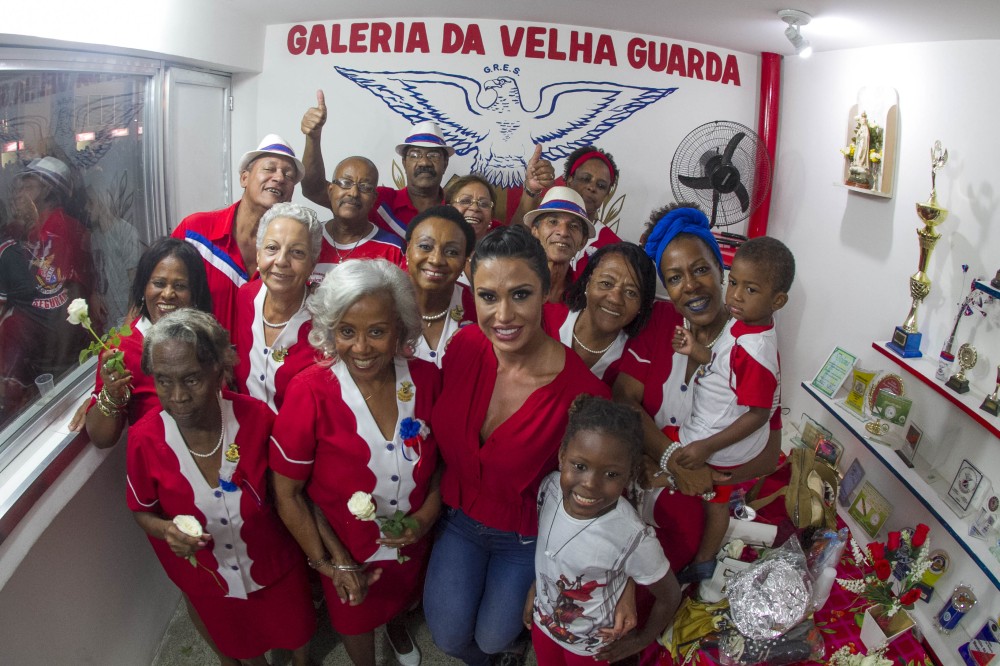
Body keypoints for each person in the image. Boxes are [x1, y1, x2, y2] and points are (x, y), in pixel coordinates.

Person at [423, 225, 611, 666]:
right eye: (488, 296)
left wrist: (548, 576)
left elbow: (581, 502)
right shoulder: (464, 346)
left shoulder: (584, 396)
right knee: (449, 638)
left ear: (546, 290)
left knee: (493, 638)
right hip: (458, 518)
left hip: (526, 538)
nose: (503, 315)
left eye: (520, 294)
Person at [271, 259, 441, 666]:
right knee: (354, 619)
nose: (361, 348)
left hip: (413, 541)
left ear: (400, 327)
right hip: (346, 549)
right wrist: (330, 563)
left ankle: (397, 626)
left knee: (402, 596)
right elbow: (288, 493)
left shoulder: (429, 379)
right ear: (330, 331)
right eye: (347, 331)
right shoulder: (309, 392)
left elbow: (442, 466)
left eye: (377, 332)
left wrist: (424, 519)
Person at [126, 309, 314, 666]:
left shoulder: (258, 418)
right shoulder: (144, 439)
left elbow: (293, 492)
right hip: (212, 578)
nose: (178, 395)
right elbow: (140, 509)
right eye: (164, 381)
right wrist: (166, 529)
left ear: (218, 369)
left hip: (277, 566)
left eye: (191, 379)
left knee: (297, 632)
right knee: (242, 643)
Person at [612, 204, 783, 573]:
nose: (690, 285)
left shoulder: (751, 343)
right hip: (641, 482)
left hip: (697, 498)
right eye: (674, 278)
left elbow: (769, 454)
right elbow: (625, 399)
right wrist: (671, 458)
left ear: (722, 271)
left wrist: (707, 477)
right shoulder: (659, 324)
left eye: (701, 269)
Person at [668, 235, 794, 583]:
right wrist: (697, 350)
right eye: (734, 282)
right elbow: (723, 364)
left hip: (725, 443)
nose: (736, 295)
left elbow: (758, 413)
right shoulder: (743, 325)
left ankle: (703, 562)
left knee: (712, 496)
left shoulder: (756, 350)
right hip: (723, 430)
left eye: (750, 290)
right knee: (717, 498)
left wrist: (707, 447)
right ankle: (704, 559)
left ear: (778, 300)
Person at [524, 396, 681, 664]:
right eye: (580, 466)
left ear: (629, 474)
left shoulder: (632, 537)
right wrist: (536, 589)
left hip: (592, 647)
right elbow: (553, 553)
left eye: (610, 474)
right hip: (544, 623)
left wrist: (643, 639)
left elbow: (670, 595)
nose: (590, 484)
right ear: (563, 456)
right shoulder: (549, 489)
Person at [81, 238, 213, 447]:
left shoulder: (207, 335)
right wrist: (112, 393)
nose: (168, 294)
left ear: (194, 293)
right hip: (158, 466)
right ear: (143, 288)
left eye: (180, 286)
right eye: (159, 284)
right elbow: (101, 438)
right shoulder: (121, 349)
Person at [172, 134, 303, 331]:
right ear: (244, 178)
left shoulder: (292, 254)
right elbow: (156, 292)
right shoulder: (195, 232)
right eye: (269, 169)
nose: (279, 178)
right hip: (200, 358)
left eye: (289, 175)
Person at [300, 90, 452, 239]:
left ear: (445, 163)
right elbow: (314, 190)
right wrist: (313, 138)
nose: (424, 162)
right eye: (415, 154)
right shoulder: (377, 200)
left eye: (433, 155)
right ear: (404, 162)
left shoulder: (456, 210)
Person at [233, 202, 322, 413]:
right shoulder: (245, 297)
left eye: (297, 252)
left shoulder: (326, 319)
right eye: (272, 248)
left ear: (313, 262)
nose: (281, 261)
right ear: (258, 254)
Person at [13, 156, 96, 372]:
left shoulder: (60, 230)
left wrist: (57, 362)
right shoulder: (35, 231)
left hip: (66, 353)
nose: (19, 194)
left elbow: (70, 297)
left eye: (28, 186)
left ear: (48, 189)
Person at [544, 242, 656, 386]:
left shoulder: (634, 361)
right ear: (588, 283)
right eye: (606, 283)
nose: (615, 299)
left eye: (631, 292)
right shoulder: (544, 320)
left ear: (642, 304)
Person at [514, 145, 623, 276]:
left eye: (601, 186)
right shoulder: (543, 222)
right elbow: (513, 244)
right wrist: (531, 189)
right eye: (585, 179)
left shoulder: (613, 246)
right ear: (570, 180)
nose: (592, 188)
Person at [310, 156, 405, 285]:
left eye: (365, 187)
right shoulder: (309, 238)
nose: (353, 193)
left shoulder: (393, 248)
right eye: (346, 183)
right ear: (330, 190)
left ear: (373, 199)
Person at [404, 205, 477, 366]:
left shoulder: (478, 307)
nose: (436, 260)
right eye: (425, 247)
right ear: (408, 251)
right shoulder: (383, 303)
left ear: (464, 261)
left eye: (452, 252)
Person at [524, 186, 594, 303]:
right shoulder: (512, 282)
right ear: (535, 231)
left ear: (583, 241)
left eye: (573, 226)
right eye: (553, 222)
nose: (563, 232)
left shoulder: (584, 299)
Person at [444, 174, 500, 288]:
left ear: (491, 217)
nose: (474, 208)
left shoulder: (503, 255)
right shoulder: (435, 254)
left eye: (484, 204)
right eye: (465, 201)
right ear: (449, 209)